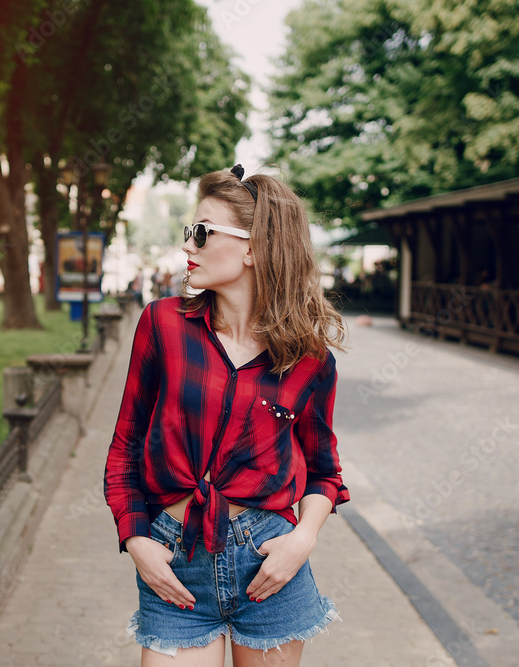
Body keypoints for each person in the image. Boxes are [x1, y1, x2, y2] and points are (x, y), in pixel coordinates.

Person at [104, 164, 350, 666]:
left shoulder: (308, 361)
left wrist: (300, 542)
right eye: (188, 233)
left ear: (254, 248)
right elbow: (126, 445)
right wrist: (136, 539)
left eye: (201, 233)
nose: (187, 247)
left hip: (268, 565)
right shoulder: (163, 326)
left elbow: (324, 473)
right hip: (175, 563)